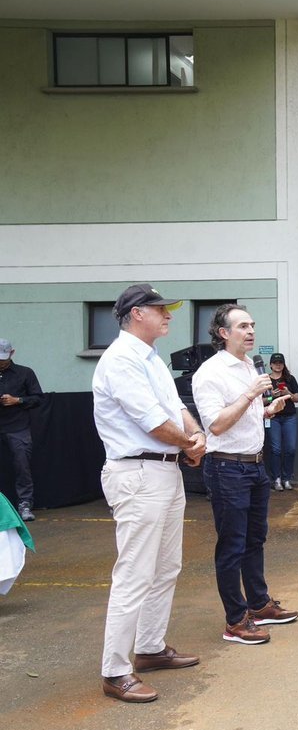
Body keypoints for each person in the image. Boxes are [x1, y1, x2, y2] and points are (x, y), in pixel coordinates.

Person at [92, 284, 206, 703]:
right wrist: (189, 443)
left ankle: (150, 649)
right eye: (162, 310)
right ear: (137, 314)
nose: (169, 316)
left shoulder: (151, 360)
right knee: (135, 573)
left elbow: (175, 408)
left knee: (166, 566)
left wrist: (194, 436)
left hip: (162, 471)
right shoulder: (121, 359)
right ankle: (115, 671)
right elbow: (151, 421)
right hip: (137, 472)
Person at [191, 304, 296, 646]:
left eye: (252, 325)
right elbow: (216, 424)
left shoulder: (250, 365)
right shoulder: (210, 373)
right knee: (232, 545)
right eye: (242, 326)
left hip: (254, 465)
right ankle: (236, 621)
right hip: (226, 467)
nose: (251, 331)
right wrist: (251, 393)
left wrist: (267, 408)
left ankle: (259, 604)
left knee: (255, 539)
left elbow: (242, 416)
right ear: (223, 333)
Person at [0, 338, 42, 523]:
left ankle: (25, 503)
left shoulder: (25, 373)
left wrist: (18, 400)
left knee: (22, 464)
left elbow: (38, 398)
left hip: (17, 426)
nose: (1, 362)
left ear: (12, 353)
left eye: (3, 358)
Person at [265, 352, 298, 491]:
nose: (278, 365)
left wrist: (287, 393)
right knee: (275, 449)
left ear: (284, 364)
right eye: (275, 363)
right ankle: (276, 479)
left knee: (290, 448)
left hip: (289, 417)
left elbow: (297, 398)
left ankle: (287, 478)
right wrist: (271, 397)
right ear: (270, 365)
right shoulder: (266, 380)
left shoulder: (290, 379)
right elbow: (260, 401)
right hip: (273, 418)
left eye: (280, 363)